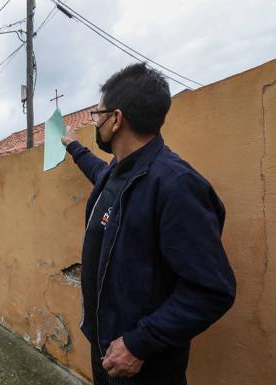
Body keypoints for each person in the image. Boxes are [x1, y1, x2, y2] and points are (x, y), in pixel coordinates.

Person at [61, 63, 236, 385]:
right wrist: (73, 147)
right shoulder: (117, 172)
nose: (95, 121)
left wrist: (138, 344)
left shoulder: (176, 185)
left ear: (116, 119)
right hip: (107, 351)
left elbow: (212, 291)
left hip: (142, 366)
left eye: (98, 114)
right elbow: (99, 173)